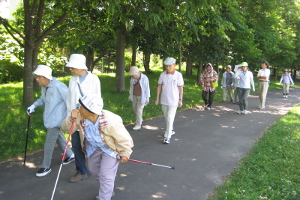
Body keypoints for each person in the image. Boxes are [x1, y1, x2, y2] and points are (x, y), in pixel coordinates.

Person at [61, 94, 133, 200]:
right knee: (94, 170)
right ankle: (108, 188)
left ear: (90, 110)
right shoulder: (81, 117)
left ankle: (105, 196)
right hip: (93, 148)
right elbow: (68, 129)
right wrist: (71, 118)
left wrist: (125, 153)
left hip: (110, 149)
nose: (78, 109)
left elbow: (124, 138)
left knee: (105, 175)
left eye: (81, 107)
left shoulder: (110, 120)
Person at [26, 65, 74, 177]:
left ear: (47, 77)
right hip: (49, 119)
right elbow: (43, 100)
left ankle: (45, 167)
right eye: (36, 77)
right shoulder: (45, 87)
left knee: (49, 143)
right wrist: (34, 105)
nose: (37, 79)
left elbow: (70, 100)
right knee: (59, 137)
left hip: (57, 120)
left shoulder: (58, 86)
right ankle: (70, 155)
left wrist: (70, 116)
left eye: (39, 77)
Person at [65, 54, 101, 183]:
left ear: (79, 67)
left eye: (72, 67)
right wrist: (70, 115)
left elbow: (97, 100)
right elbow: (69, 99)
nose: (71, 70)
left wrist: (95, 118)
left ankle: (98, 170)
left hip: (89, 117)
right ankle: (81, 171)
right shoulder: (72, 80)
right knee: (76, 145)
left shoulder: (94, 79)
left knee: (92, 145)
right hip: (75, 117)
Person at [155, 57, 184, 144]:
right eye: (166, 66)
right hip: (164, 100)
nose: (168, 68)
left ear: (174, 65)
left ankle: (167, 137)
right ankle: (170, 130)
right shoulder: (162, 75)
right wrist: (157, 98)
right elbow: (159, 86)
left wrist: (180, 99)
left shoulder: (178, 75)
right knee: (167, 118)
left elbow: (181, 88)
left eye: (169, 66)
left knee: (170, 117)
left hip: (174, 101)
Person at [128, 66, 150, 130]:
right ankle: (139, 119)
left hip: (141, 97)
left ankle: (138, 124)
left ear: (136, 73)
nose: (131, 76)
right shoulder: (132, 79)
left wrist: (147, 98)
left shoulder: (144, 78)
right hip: (134, 96)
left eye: (132, 75)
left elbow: (147, 88)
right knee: (135, 109)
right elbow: (131, 87)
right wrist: (130, 95)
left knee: (139, 110)